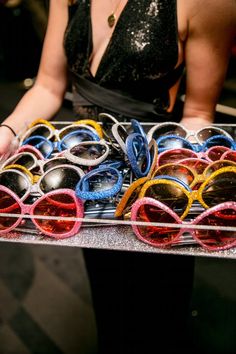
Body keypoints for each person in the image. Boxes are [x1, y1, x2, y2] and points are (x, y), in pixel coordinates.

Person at [0, 0, 235, 353]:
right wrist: (7, 130)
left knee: (155, 318)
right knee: (109, 303)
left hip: (155, 184)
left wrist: (180, 182)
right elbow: (48, 86)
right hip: (88, 178)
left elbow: (198, 113)